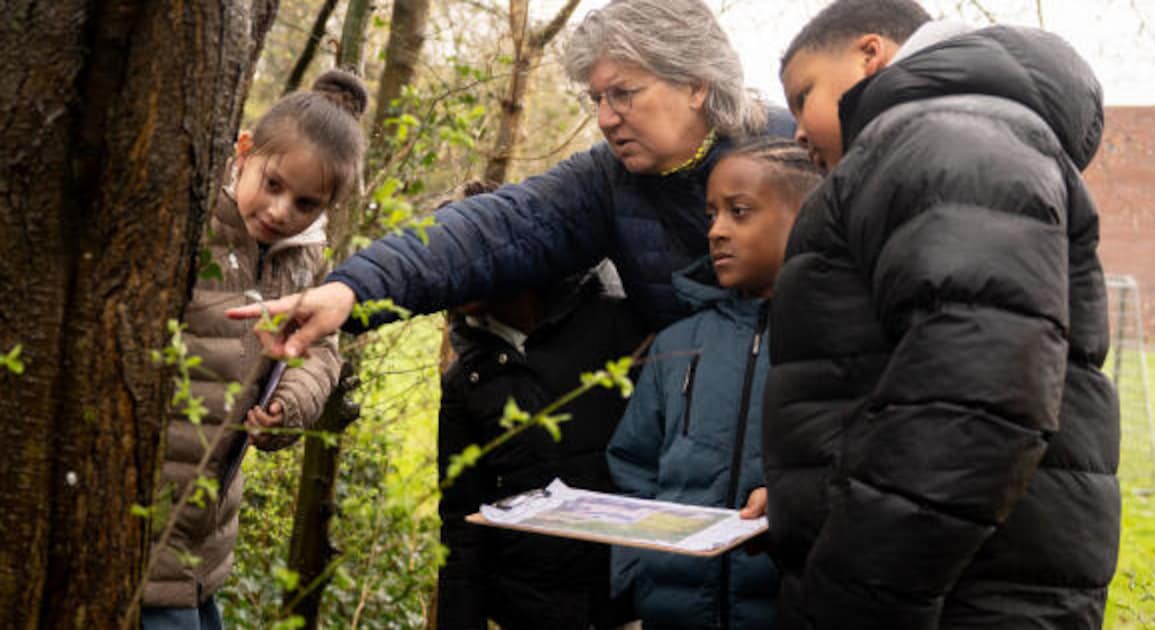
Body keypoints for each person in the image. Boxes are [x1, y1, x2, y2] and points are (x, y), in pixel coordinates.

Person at [763, 1, 1120, 628]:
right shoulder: (945, 137)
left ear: (869, 55)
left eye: (802, 96)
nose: (795, 131)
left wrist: (850, 601)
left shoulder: (942, 134)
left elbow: (973, 397)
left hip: (952, 603)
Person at [225, 0, 794, 358]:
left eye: (624, 93)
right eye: (598, 98)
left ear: (695, 84)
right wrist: (354, 289)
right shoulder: (608, 179)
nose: (604, 118)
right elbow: (496, 229)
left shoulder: (797, 155)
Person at [141, 70, 366, 629]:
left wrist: (287, 406)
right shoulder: (190, 225)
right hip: (146, 502)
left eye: (306, 203)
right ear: (244, 152)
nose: (282, 211)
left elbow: (320, 352)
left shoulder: (305, 260)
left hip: (209, 521)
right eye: (273, 185)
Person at [606, 137, 822, 630]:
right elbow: (633, 466)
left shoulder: (835, 339)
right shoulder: (677, 344)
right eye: (712, 215)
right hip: (671, 612)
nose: (717, 232)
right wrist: (637, 577)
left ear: (807, 217)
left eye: (740, 212)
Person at [435, 181, 642, 630]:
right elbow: (461, 523)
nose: (454, 271)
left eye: (466, 250)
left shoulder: (613, 318)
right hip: (527, 610)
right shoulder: (467, 379)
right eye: (442, 260)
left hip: (628, 601)